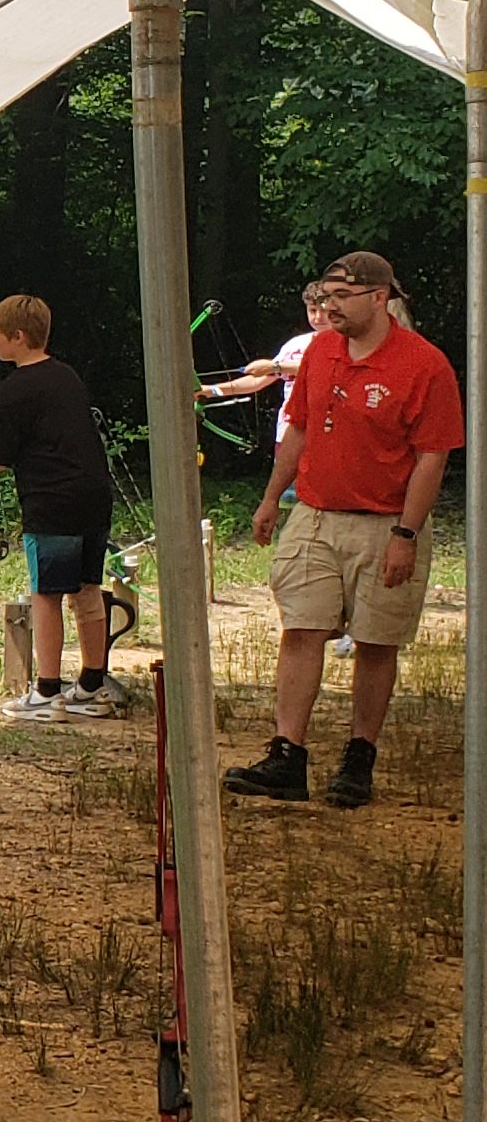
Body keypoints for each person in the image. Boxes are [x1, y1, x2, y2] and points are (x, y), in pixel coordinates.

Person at [226, 250, 465, 810]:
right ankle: (287, 755)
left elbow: (432, 457)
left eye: (341, 296)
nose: (329, 307)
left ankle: (360, 757)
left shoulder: (424, 364)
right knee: (302, 627)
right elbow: (299, 428)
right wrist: (270, 499)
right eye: (325, 296)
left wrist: (406, 534)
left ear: (379, 298)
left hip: (386, 520)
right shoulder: (321, 351)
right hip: (315, 513)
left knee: (376, 641)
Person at [0, 294, 121, 720]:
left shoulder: (17, 388)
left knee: (46, 594)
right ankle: (92, 684)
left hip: (51, 501)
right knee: (87, 590)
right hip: (93, 497)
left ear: (17, 336)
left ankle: (47, 690)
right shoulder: (67, 376)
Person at [200, 283, 330, 449]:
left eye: (324, 311)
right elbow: (257, 381)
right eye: (312, 310)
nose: (318, 317)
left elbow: (324, 367)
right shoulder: (296, 344)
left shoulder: (351, 343)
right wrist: (210, 391)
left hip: (330, 434)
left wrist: (276, 367)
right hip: (289, 433)